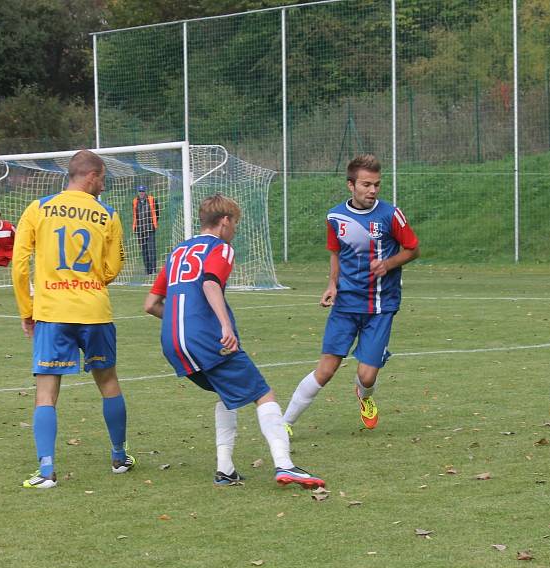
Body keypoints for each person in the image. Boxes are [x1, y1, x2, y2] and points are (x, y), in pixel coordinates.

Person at [144, 193, 326, 490]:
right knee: (263, 394)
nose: (236, 230)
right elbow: (210, 282)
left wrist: (182, 322)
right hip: (207, 340)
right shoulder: (221, 248)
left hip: (172, 344)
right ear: (225, 221)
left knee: (226, 393)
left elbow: (151, 304)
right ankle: (286, 465)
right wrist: (224, 325)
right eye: (235, 223)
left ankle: (225, 470)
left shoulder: (178, 252)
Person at [12, 149, 135, 489]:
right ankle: (119, 455)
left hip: (52, 312)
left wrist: (27, 309)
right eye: (104, 179)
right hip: (94, 311)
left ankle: (47, 470)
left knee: (46, 393)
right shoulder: (108, 214)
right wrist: (92, 282)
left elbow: (20, 265)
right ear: (91, 175)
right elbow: (114, 266)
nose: (104, 186)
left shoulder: (38, 209)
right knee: (108, 382)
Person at [283, 154, 420, 432]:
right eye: (366, 185)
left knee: (366, 376)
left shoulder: (390, 214)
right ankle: (283, 424)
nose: (372, 191)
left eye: (377, 185)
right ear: (351, 185)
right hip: (346, 304)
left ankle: (365, 397)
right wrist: (332, 285)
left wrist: (388, 264)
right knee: (326, 370)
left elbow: (413, 249)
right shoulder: (335, 217)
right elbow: (335, 254)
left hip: (381, 306)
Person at [132, 184, 159, 275]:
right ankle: (148, 269)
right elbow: (135, 214)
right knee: (144, 250)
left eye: (143, 191)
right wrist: (135, 227)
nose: (141, 193)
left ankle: (154, 269)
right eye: (140, 191)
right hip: (140, 229)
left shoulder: (151, 199)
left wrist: (153, 223)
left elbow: (157, 212)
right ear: (138, 192)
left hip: (150, 228)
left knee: (152, 249)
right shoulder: (135, 201)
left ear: (145, 191)